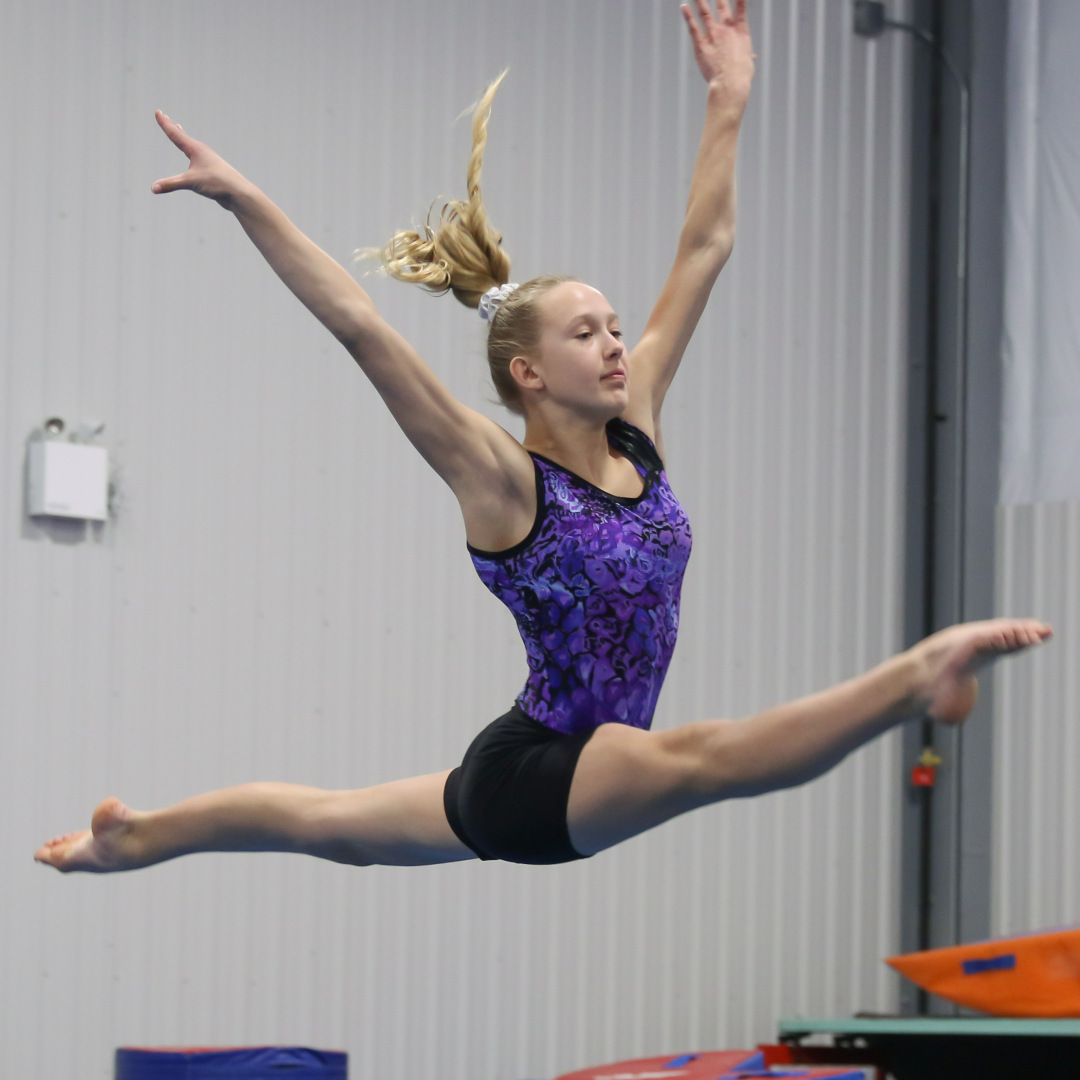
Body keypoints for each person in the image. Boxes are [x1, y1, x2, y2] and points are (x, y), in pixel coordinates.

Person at [36, 0, 1050, 873]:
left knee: (327, 824)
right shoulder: (502, 480)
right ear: (527, 372)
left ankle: (136, 841)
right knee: (696, 762)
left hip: (541, 759)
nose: (617, 346)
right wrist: (248, 199)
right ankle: (915, 678)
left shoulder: (636, 430)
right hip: (550, 771)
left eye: (616, 328)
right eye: (587, 332)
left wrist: (728, 96)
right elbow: (360, 325)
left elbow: (704, 247)